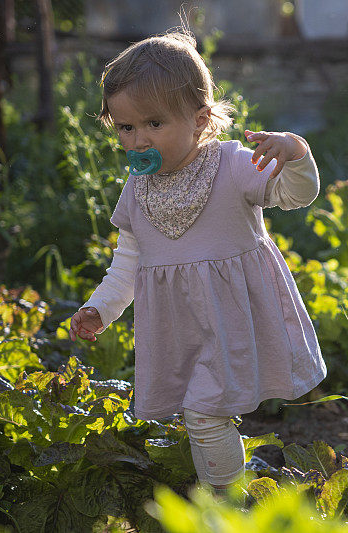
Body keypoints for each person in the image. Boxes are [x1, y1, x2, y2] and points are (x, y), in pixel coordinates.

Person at [67, 29, 327, 495]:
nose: (138, 140)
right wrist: (100, 308)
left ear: (200, 118)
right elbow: (127, 264)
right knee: (203, 413)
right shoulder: (136, 191)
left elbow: (294, 195)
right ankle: (229, 498)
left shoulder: (230, 164)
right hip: (178, 327)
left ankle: (225, 507)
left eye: (154, 124)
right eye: (126, 128)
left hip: (233, 318)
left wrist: (295, 154)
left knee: (204, 413)